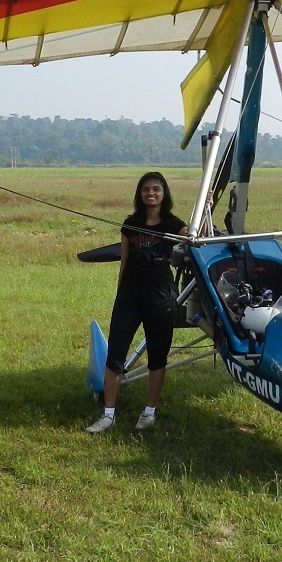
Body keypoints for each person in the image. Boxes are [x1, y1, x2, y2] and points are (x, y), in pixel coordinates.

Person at [87, 172, 188, 433]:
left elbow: (196, 238)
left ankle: (149, 412)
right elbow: (124, 262)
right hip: (130, 295)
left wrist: (208, 206)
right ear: (139, 194)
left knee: (157, 355)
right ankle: (108, 414)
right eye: (145, 189)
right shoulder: (130, 224)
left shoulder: (174, 224)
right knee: (115, 354)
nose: (151, 193)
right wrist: (121, 293)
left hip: (160, 296)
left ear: (164, 193)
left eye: (156, 189)